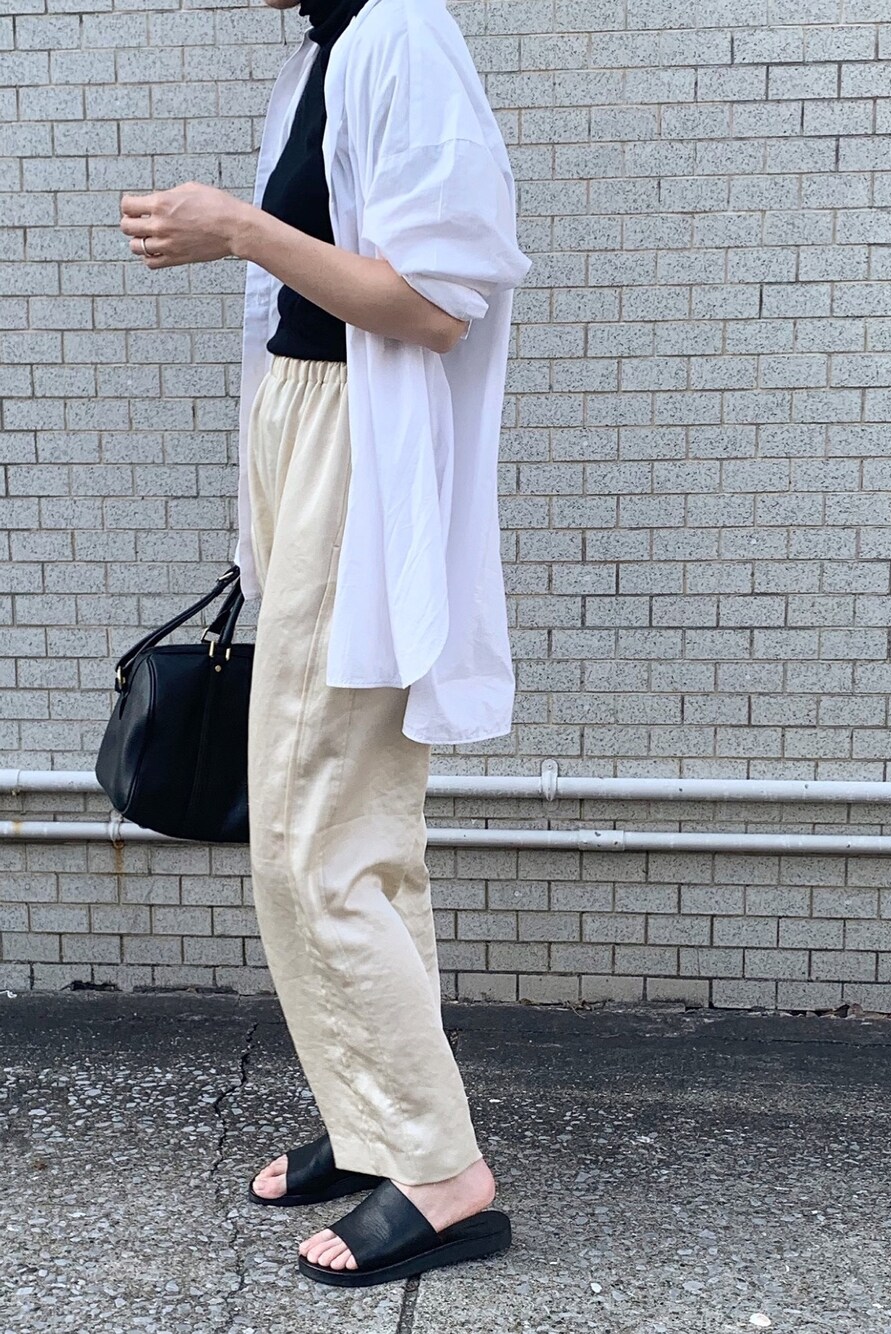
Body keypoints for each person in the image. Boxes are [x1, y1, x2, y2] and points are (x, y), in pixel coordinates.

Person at [119, 0, 530, 1290]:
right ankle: (381, 1125)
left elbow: (435, 305)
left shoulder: (400, 34)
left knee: (312, 837)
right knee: (361, 836)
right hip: (313, 438)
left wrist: (238, 228)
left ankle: (443, 1178)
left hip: (359, 456)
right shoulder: (334, 47)